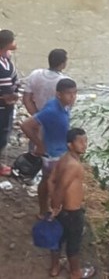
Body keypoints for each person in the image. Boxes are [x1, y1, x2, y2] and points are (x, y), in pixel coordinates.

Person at [21, 78, 78, 219]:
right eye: (69, 94)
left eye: (75, 93)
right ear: (59, 94)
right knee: (52, 184)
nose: (72, 97)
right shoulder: (52, 110)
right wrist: (39, 144)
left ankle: (45, 210)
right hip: (52, 154)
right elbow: (26, 125)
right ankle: (50, 212)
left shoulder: (63, 105)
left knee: (48, 182)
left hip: (60, 151)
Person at [48, 128, 89, 279]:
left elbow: (50, 181)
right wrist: (56, 206)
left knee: (57, 240)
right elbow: (60, 187)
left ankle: (54, 268)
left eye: (86, 141)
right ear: (70, 145)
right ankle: (76, 273)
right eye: (80, 142)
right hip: (72, 212)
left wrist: (55, 206)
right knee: (74, 244)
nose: (84, 145)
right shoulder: (74, 166)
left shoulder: (63, 159)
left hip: (62, 211)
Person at [24, 49, 69, 115]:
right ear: (63, 64)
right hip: (57, 118)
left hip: (38, 115)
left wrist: (37, 117)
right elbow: (68, 104)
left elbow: (26, 99)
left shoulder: (35, 74)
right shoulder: (65, 81)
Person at [0, 29, 19, 176]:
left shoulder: (5, 59)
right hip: (3, 107)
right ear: (7, 44)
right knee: (2, 134)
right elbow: (6, 93)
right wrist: (12, 97)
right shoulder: (4, 68)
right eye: (13, 41)